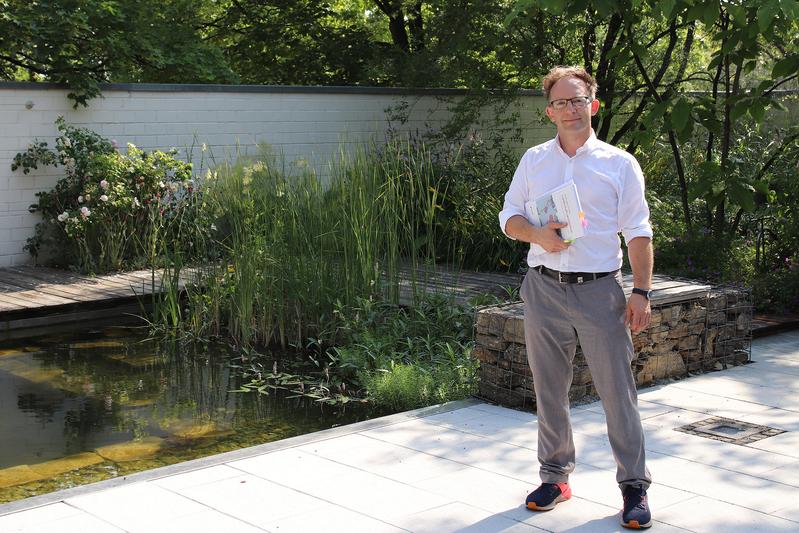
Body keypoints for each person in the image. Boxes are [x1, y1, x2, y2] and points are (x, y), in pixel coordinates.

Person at [498, 66, 654, 530]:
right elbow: (509, 217)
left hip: (599, 292)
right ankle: (555, 478)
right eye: (561, 102)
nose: (570, 108)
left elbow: (639, 232)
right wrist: (537, 235)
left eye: (577, 100)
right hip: (543, 288)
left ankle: (633, 488)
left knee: (617, 394)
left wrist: (642, 292)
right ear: (550, 111)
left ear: (593, 105)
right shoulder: (534, 160)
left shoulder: (618, 164)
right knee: (549, 391)